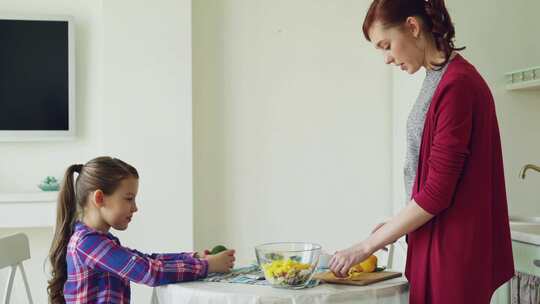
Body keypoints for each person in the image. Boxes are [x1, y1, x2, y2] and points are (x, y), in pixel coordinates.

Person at [329, 0, 514, 303]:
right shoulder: (438, 78)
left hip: (452, 256)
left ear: (413, 27)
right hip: (439, 246)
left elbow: (438, 192)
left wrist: (366, 246)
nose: (387, 58)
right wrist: (394, 225)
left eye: (386, 45)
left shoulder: (457, 86)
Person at [47, 156, 235, 304]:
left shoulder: (100, 241)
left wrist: (195, 257)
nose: (135, 208)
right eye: (129, 198)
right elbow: (150, 272)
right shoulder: (88, 244)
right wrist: (207, 266)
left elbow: (146, 259)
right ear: (99, 198)